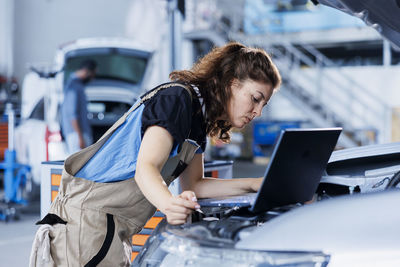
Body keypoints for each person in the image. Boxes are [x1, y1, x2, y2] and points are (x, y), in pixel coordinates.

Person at [29, 42, 281, 267]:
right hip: (86, 223)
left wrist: (256, 184)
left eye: (263, 104)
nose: (257, 112)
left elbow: (195, 185)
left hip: (110, 228)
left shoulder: (198, 119)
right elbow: (146, 168)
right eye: (255, 98)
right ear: (230, 83)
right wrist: (169, 204)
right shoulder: (178, 99)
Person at [61, 59, 97, 154]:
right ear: (86, 71)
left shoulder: (75, 86)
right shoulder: (73, 88)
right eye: (92, 75)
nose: (92, 79)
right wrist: (80, 137)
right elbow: (72, 115)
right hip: (76, 135)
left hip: (78, 134)